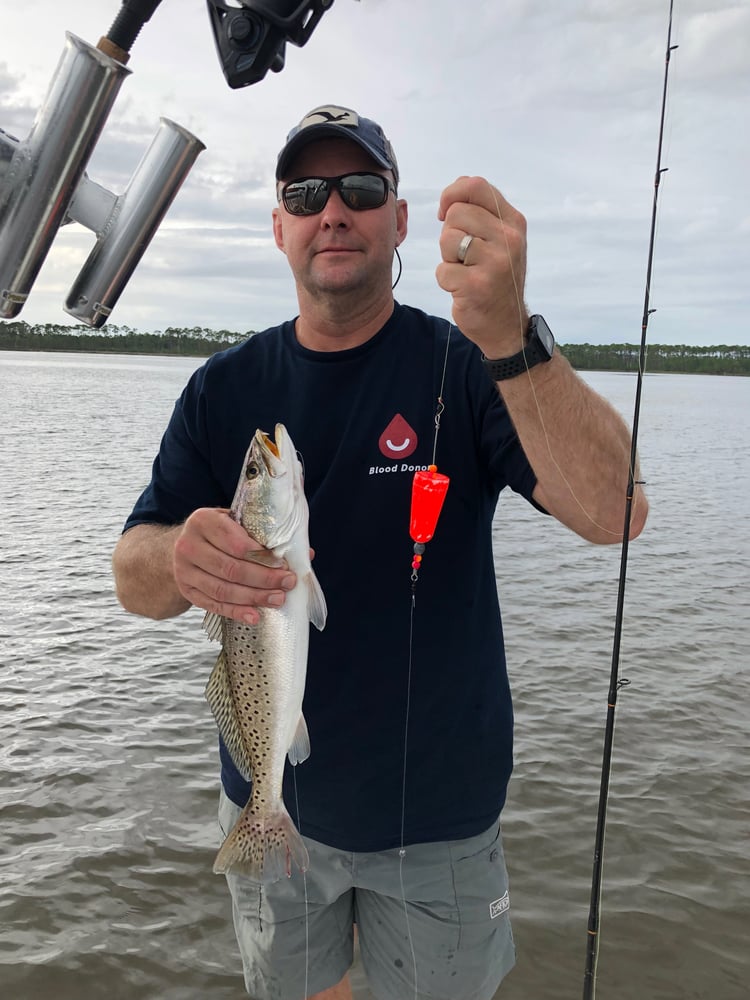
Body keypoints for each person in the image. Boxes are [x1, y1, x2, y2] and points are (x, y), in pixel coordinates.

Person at [112, 104, 647, 1000]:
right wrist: (173, 561)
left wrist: (513, 336)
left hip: (438, 818)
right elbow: (132, 573)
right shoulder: (223, 389)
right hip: (275, 797)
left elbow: (614, 512)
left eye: (360, 189)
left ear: (399, 221)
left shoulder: (469, 366)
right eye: (307, 192)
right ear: (279, 223)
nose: (334, 210)